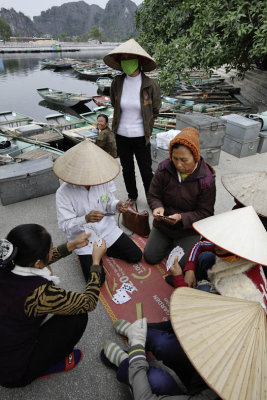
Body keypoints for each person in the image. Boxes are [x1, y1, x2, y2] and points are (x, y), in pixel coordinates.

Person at [101, 206, 267, 399]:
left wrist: (134, 355)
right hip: (213, 344)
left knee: (154, 373)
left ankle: (128, 353)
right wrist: (189, 269)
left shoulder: (240, 291)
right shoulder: (241, 266)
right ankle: (140, 333)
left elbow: (194, 319)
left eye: (221, 242)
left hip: (211, 353)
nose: (215, 244)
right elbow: (203, 246)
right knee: (161, 339)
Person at [0, 223, 107, 388]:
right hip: (13, 371)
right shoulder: (39, 294)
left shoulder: (6, 260)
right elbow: (89, 302)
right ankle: (46, 366)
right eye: (50, 249)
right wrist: (96, 262)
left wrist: (71, 245)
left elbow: (40, 260)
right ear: (36, 263)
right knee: (78, 316)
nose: (52, 251)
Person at [55, 139, 142, 282]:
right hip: (84, 238)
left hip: (107, 230)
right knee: (96, 280)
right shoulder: (63, 193)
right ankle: (91, 256)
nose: (93, 180)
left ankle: (104, 250)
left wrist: (117, 205)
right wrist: (85, 219)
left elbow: (108, 201)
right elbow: (65, 225)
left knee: (136, 255)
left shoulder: (103, 179)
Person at [144, 127, 216, 281]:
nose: (178, 164)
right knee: (150, 256)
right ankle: (168, 242)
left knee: (180, 266)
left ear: (195, 156)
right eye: (175, 158)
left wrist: (182, 217)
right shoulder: (164, 169)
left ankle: (183, 244)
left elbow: (206, 213)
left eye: (184, 160)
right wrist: (157, 207)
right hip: (164, 224)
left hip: (188, 229)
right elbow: (153, 195)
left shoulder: (206, 180)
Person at [103, 38, 161, 205]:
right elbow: (115, 104)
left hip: (141, 136)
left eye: (129, 58)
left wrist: (146, 126)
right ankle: (132, 196)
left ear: (139, 61)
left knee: (146, 170)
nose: (125, 62)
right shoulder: (117, 82)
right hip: (121, 135)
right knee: (127, 169)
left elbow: (155, 109)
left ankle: (152, 199)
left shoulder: (151, 85)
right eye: (123, 59)